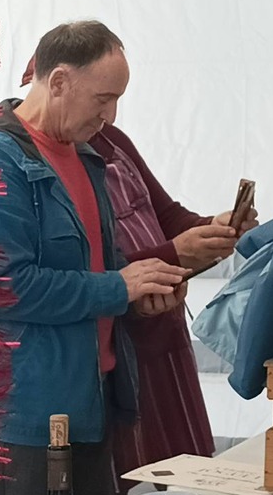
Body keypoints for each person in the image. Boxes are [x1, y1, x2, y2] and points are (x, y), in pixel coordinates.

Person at [0, 21, 184, 495]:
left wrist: (139, 294)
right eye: (104, 99)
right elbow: (0, 288)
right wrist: (117, 289)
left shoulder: (85, 155)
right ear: (58, 81)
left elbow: (98, 259)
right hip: (25, 407)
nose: (111, 116)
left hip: (90, 398)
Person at [93, 122, 257, 476]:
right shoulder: (58, 159)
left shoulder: (113, 140)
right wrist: (174, 253)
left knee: (187, 473)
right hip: (117, 342)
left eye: (115, 99)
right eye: (102, 98)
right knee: (121, 482)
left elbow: (166, 215)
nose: (107, 114)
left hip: (166, 331)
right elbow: (94, 269)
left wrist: (212, 228)